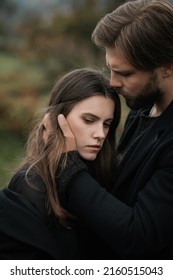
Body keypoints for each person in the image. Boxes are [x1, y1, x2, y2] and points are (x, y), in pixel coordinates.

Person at [48, 0, 173, 259]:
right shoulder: (141, 111)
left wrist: (67, 165)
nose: (113, 83)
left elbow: (139, 236)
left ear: (167, 66)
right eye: (110, 69)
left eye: (125, 73)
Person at [0, 68, 121, 260]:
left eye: (106, 124)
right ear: (58, 119)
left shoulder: (105, 174)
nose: (100, 134)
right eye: (89, 120)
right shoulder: (32, 185)